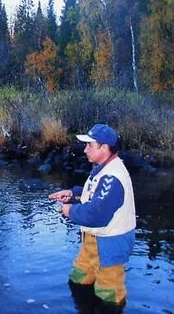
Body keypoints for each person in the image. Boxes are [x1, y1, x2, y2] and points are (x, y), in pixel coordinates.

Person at [49, 124, 136, 308]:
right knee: (78, 279)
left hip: (111, 242)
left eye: (90, 145)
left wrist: (69, 210)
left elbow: (96, 215)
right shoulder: (101, 168)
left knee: (108, 294)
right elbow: (93, 195)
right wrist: (73, 194)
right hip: (93, 239)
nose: (85, 149)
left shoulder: (113, 177)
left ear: (104, 148)